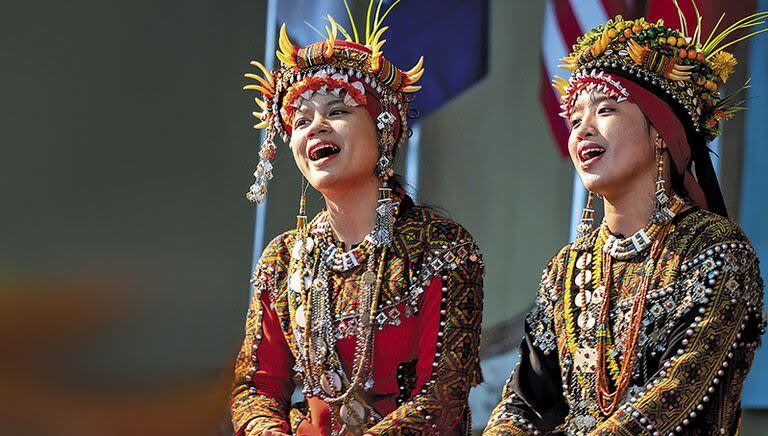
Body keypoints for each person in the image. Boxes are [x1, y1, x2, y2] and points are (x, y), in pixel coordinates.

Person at [485, 9, 766, 435]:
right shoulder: (568, 268)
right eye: (575, 119)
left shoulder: (716, 251)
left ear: (661, 131)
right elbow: (523, 401)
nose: (582, 130)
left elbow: (671, 397)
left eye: (606, 109)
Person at [230, 4, 484, 435]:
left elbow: (442, 395)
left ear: (383, 130)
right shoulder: (282, 261)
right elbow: (255, 388)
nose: (315, 127)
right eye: (301, 119)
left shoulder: (443, 249)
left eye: (338, 111)